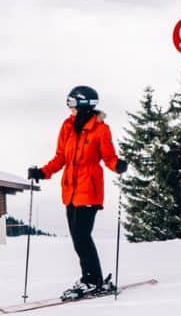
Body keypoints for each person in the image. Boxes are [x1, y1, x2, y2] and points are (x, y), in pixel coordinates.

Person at [28, 85, 127, 300]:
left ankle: (93, 280)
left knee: (82, 236)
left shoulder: (101, 129)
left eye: (72, 103)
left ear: (83, 105)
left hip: (89, 190)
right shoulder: (67, 126)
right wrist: (43, 172)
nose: (69, 108)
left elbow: (108, 156)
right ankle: (91, 278)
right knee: (77, 238)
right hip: (70, 191)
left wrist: (117, 165)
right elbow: (61, 157)